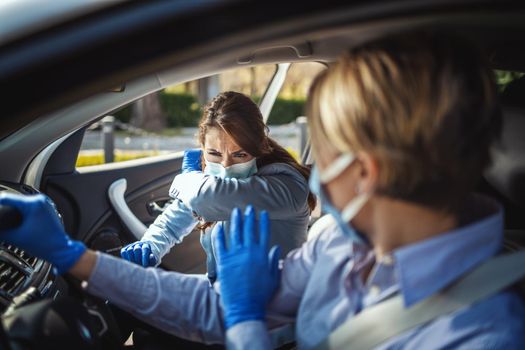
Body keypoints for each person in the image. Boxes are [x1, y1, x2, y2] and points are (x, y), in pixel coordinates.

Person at [2, 30, 525, 350]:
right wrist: (74, 259)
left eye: (324, 149)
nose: (313, 171)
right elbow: (213, 308)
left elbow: (237, 313)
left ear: (363, 172)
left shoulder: (481, 335)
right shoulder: (340, 245)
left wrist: (249, 322)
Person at [120, 91, 315, 285]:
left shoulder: (287, 185)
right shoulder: (205, 183)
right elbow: (174, 220)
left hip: (276, 303)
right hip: (224, 290)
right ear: (202, 149)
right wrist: (151, 244)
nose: (225, 166)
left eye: (240, 154)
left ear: (258, 148)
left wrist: (187, 177)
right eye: (214, 153)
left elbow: (205, 196)